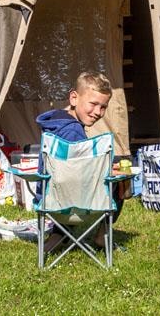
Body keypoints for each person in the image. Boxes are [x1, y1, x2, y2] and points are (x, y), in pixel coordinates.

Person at [35, 71, 117, 251]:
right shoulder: (73, 132)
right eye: (94, 104)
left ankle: (60, 233)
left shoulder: (55, 121)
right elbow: (80, 175)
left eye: (103, 107)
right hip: (72, 203)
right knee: (120, 182)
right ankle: (102, 237)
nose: (98, 112)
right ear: (74, 98)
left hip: (48, 200)